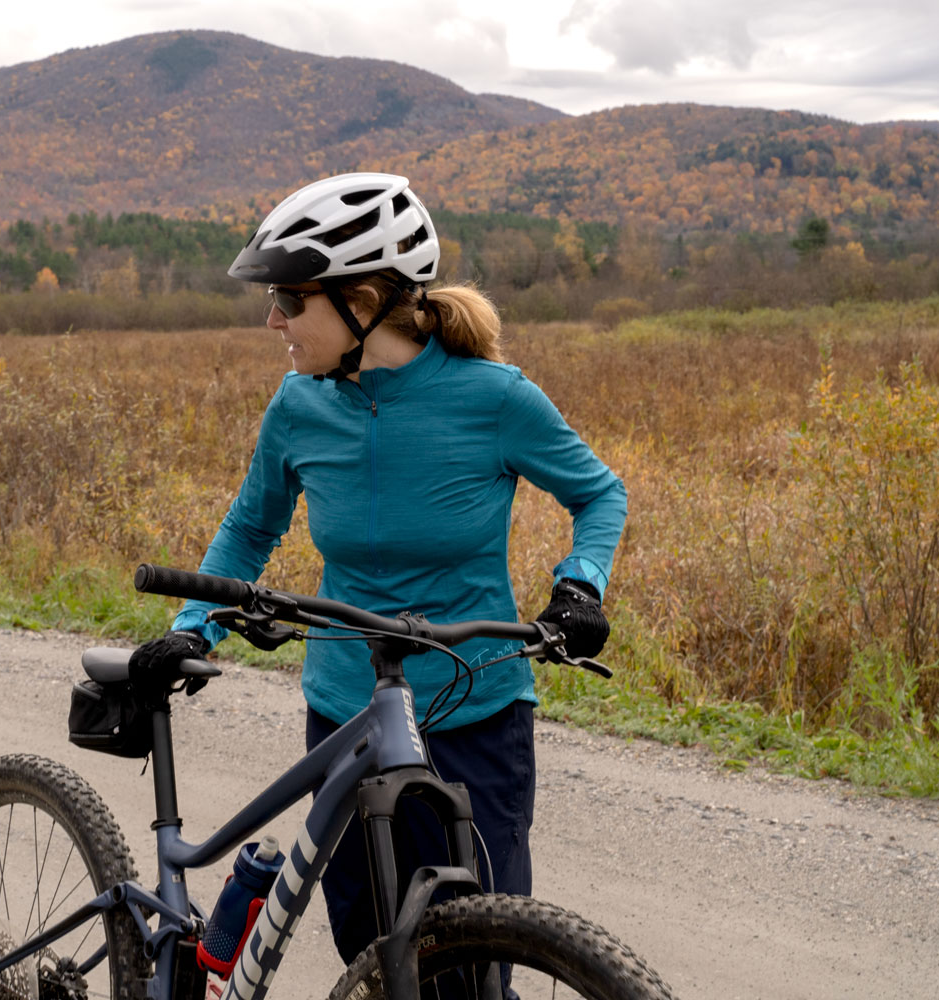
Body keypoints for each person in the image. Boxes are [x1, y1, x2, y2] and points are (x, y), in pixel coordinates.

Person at [130, 172, 627, 980]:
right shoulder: (298, 405)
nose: (274, 319)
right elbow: (251, 527)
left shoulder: (493, 398)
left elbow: (600, 493)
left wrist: (580, 584)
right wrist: (193, 626)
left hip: (475, 716)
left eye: (291, 299)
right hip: (344, 718)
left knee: (477, 960)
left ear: (362, 298)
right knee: (371, 952)